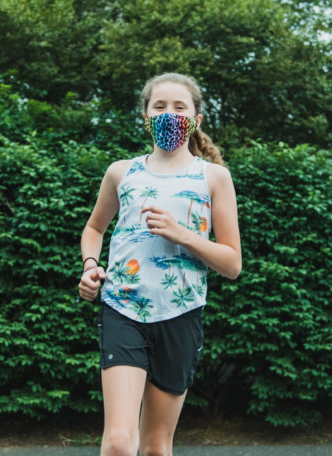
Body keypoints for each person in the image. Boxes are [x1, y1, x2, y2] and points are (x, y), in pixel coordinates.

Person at [77, 72, 242, 456]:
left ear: (196, 120)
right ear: (146, 116)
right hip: (123, 308)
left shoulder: (214, 177)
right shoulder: (122, 172)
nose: (170, 114)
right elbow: (94, 228)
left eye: (180, 107)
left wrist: (181, 233)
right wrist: (89, 267)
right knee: (119, 442)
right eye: (160, 107)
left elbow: (232, 264)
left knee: (155, 447)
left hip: (180, 314)